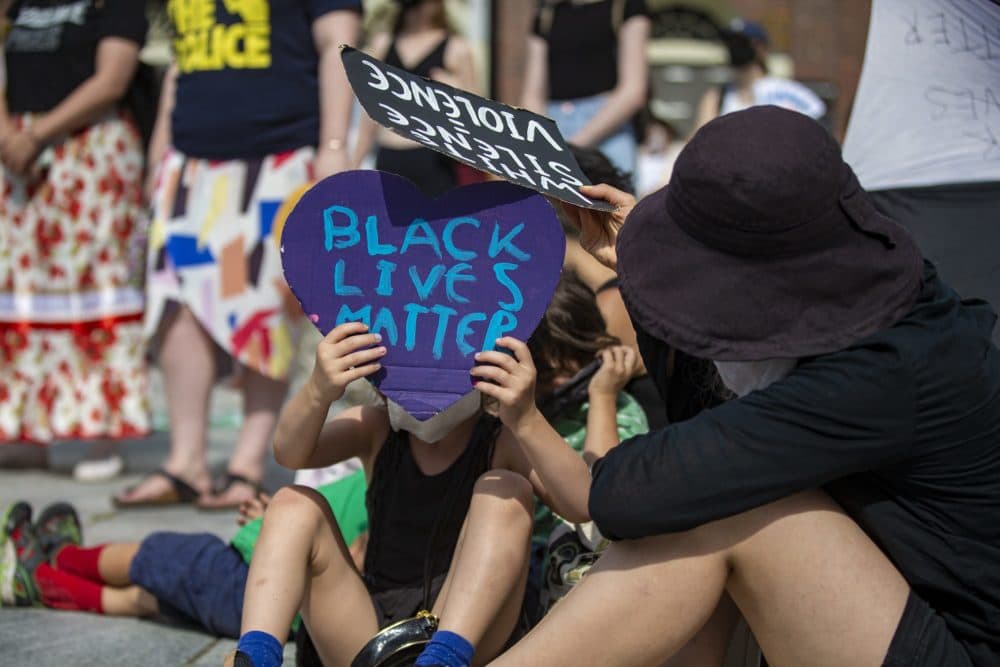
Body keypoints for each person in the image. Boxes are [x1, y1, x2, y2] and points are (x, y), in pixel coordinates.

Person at [487, 106, 1000, 666]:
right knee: (713, 501)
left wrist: (656, 274)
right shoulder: (869, 291)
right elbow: (695, 434)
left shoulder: (886, 368)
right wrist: (646, 276)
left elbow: (631, 490)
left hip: (963, 648)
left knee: (731, 510)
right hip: (893, 610)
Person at [229, 316, 606, 667]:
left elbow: (581, 502)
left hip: (465, 634)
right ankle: (257, 655)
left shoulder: (502, 441)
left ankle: (443, 657)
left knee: (503, 489)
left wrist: (525, 418)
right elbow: (291, 451)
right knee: (293, 502)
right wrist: (318, 388)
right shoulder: (376, 427)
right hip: (374, 632)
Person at [115, 0, 363, 509]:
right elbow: (185, 58)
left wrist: (334, 145)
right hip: (189, 158)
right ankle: (185, 462)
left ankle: (246, 465)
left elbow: (338, 45)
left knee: (265, 312)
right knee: (175, 305)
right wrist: (161, 150)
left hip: (279, 157)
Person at [0, 0, 149, 448]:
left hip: (89, 151)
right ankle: (26, 428)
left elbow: (112, 79)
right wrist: (9, 134)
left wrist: (36, 135)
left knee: (94, 286)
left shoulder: (115, 7)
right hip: (17, 157)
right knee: (21, 289)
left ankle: (98, 430)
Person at [0, 473, 368, 640]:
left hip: (251, 578)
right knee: (145, 600)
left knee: (153, 555)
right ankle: (47, 585)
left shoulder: (401, 496)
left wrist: (286, 538)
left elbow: (355, 565)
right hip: (268, 607)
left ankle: (58, 557)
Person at [525, 271, 647, 613]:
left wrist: (602, 396)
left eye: (575, 361)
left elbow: (603, 498)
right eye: (546, 374)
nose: (562, 380)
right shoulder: (507, 413)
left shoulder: (616, 408)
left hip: (577, 569)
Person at [351, 0, 479, 196]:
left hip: (432, 160)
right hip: (389, 157)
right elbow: (369, 118)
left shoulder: (455, 49)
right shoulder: (383, 45)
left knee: (434, 224)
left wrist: (454, 93)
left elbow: (475, 124)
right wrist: (352, 167)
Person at [521, 0, 650, 177]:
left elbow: (633, 90)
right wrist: (544, 143)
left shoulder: (625, 6)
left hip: (608, 128)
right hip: (552, 127)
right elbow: (532, 95)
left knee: (615, 201)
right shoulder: (546, 13)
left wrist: (573, 146)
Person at [693, 19, 825, 132]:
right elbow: (699, 144)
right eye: (730, 42)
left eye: (740, 43)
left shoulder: (790, 93)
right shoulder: (716, 98)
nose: (734, 48)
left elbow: (820, 127)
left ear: (761, 48)